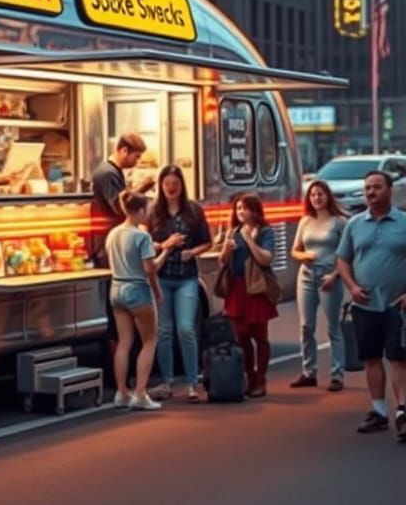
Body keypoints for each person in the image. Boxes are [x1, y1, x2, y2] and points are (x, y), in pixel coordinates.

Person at [335, 169, 406, 439]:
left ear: (390, 190)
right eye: (367, 188)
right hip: (364, 305)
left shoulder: (403, 222)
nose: (370, 192)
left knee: (398, 358)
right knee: (371, 358)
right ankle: (378, 411)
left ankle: (402, 411)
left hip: (397, 306)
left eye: (376, 187)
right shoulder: (355, 224)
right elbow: (342, 260)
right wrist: (352, 286)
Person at [148, 165, 212, 402]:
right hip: (162, 277)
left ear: (182, 185)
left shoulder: (193, 210)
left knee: (186, 328)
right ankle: (166, 382)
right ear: (161, 186)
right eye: (167, 184)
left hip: (186, 277)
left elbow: (207, 241)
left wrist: (192, 252)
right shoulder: (154, 211)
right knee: (164, 331)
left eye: (175, 183)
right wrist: (165, 244)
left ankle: (193, 382)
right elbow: (147, 241)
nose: (171, 188)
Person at [104, 190, 167, 410]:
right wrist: (166, 251)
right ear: (139, 211)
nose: (147, 214)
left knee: (124, 342)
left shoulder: (113, 233)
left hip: (116, 288)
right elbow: (151, 269)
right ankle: (140, 393)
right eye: (146, 210)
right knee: (149, 340)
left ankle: (122, 392)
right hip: (138, 289)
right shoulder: (142, 236)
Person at [290, 180, 348, 391]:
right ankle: (308, 372)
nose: (316, 198)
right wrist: (304, 255)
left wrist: (335, 275)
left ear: (328, 196)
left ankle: (337, 375)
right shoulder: (305, 221)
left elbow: (346, 255)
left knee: (333, 327)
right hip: (306, 275)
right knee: (306, 326)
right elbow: (294, 250)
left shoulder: (339, 222)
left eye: (320, 194)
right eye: (313, 195)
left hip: (328, 277)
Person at [218, 192, 277, 398]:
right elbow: (223, 262)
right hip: (237, 287)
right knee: (241, 335)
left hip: (256, 288)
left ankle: (261, 379)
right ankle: (249, 376)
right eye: (238, 208)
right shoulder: (232, 231)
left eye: (245, 208)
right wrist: (226, 250)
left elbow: (265, 259)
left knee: (260, 336)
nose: (241, 212)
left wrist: (251, 242)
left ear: (255, 210)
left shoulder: (265, 232)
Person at [90, 133, 156, 266]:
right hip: (108, 243)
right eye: (136, 157)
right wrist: (142, 187)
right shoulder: (108, 174)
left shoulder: (113, 171)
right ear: (124, 150)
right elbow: (120, 206)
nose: (137, 162)